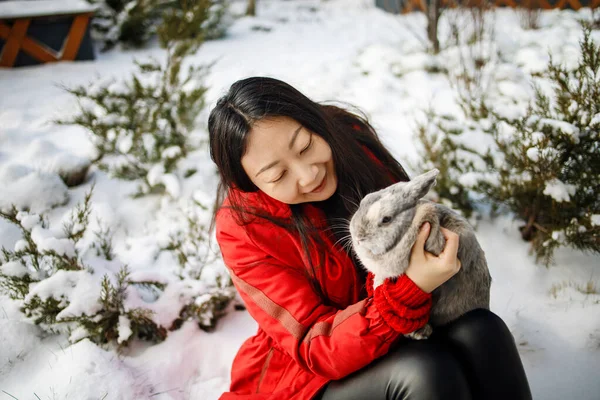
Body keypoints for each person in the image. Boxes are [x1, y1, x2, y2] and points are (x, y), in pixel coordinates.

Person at [208, 76, 532, 400]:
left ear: (312, 120)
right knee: (424, 371)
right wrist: (407, 292)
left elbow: (406, 217)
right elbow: (313, 343)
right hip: (309, 378)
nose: (308, 175)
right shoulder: (243, 228)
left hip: (396, 331)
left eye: (305, 146)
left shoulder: (348, 140)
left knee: (482, 330)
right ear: (250, 184)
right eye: (278, 175)